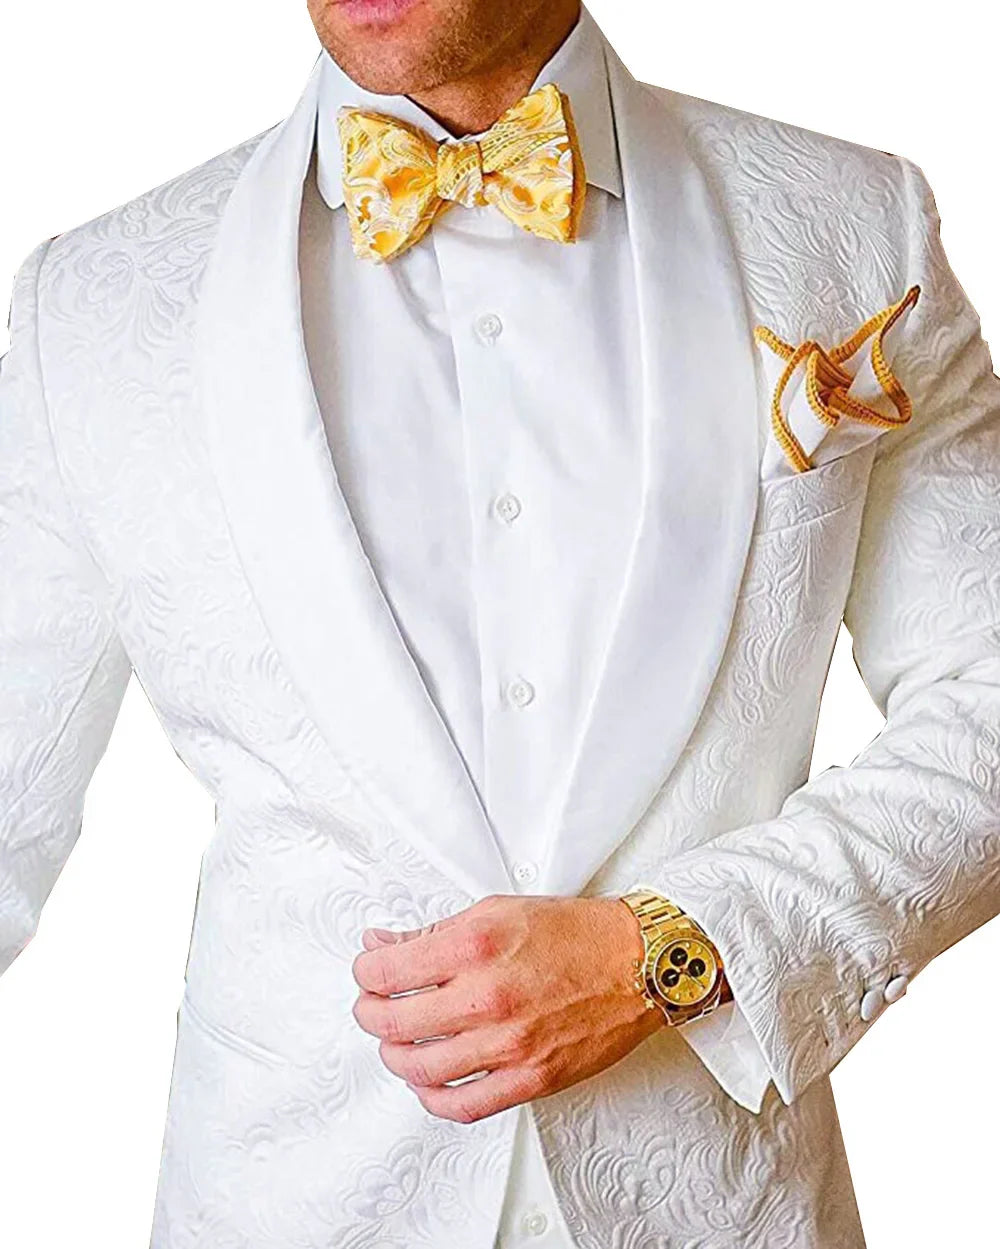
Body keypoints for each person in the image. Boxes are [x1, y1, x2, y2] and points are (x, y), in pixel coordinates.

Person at [2, 0, 998, 1245]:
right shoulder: (88, 303)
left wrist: (674, 949)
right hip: (289, 1204)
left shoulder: (851, 225)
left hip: (721, 1207)